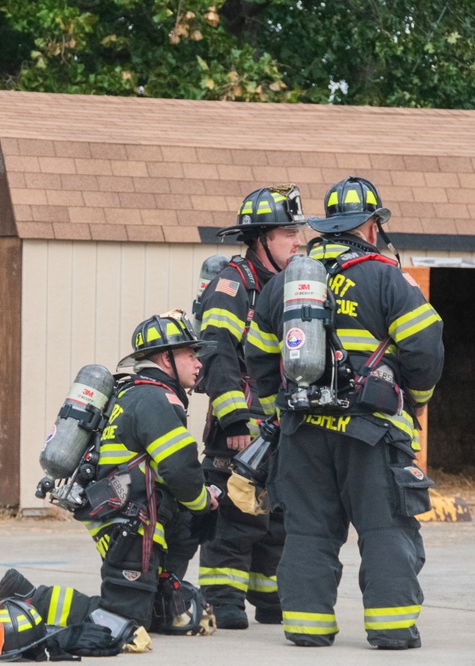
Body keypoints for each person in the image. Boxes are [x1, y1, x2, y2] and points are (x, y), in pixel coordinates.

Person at [245, 176, 444, 649]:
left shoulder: (287, 284)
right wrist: (416, 398)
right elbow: (426, 348)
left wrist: (279, 413)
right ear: (371, 227)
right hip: (370, 431)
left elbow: (256, 358)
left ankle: (307, 628)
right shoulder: (386, 276)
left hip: (301, 431)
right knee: (384, 528)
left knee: (308, 531)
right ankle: (392, 627)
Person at [195, 185, 304, 629]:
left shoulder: (290, 286)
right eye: (287, 233)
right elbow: (215, 351)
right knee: (233, 520)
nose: (298, 242)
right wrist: (234, 417)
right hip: (238, 426)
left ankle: (271, 598)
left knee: (275, 517)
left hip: (279, 424)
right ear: (261, 238)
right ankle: (223, 600)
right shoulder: (232, 284)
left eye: (298, 233)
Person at [71, 311, 218, 632]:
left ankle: (161, 585)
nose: (198, 364)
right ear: (166, 358)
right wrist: (204, 501)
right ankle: (31, 600)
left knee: (146, 611)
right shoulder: (155, 398)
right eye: (190, 355)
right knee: (125, 621)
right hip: (130, 524)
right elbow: (180, 466)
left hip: (123, 511)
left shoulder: (132, 393)